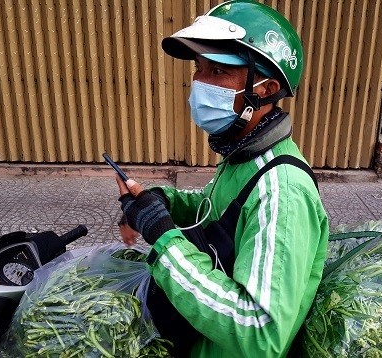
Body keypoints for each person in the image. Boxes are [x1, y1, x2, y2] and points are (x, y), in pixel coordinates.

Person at [115, 1, 329, 356]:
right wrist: (161, 202)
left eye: (217, 72)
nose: (199, 83)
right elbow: (220, 213)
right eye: (199, 69)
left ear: (265, 88)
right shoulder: (244, 156)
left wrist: (164, 239)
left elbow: (260, 334)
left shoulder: (283, 193)